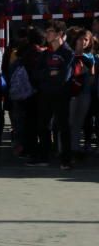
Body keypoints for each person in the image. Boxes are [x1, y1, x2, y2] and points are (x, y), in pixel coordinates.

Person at [30, 21, 74, 169]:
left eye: (50, 31)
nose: (47, 34)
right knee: (42, 125)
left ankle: (66, 159)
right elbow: (36, 74)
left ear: (60, 34)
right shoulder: (46, 53)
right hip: (45, 95)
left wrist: (52, 75)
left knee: (63, 127)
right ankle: (44, 156)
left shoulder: (68, 53)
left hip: (61, 96)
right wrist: (50, 73)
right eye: (47, 31)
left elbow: (64, 77)